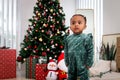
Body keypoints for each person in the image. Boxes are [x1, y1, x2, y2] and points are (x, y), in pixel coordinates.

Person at [64, 14, 94, 80]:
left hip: (83, 65)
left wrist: (89, 63)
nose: (76, 24)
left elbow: (90, 51)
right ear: (70, 26)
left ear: (85, 26)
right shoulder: (68, 39)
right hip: (71, 65)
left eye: (79, 23)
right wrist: (66, 61)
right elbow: (66, 50)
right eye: (73, 23)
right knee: (71, 77)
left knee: (83, 78)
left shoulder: (86, 38)